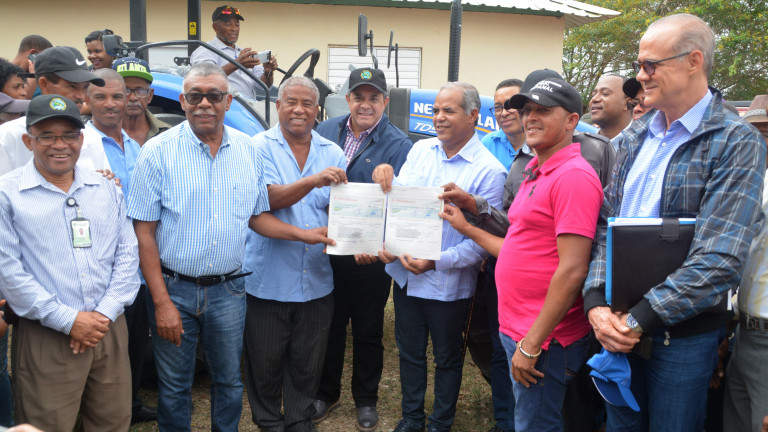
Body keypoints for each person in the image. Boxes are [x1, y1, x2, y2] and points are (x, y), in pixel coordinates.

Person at [582, 14, 766, 432]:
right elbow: (606, 227)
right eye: (638, 65)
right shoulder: (633, 138)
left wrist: (637, 318)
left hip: (681, 337)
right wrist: (596, 305)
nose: (640, 76)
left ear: (694, 61)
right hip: (617, 327)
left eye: (651, 65)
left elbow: (720, 258)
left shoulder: (736, 141)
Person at [129, 63, 325, 431]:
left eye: (214, 96)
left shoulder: (248, 151)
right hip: (174, 290)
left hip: (229, 291)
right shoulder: (157, 152)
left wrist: (305, 235)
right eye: (195, 96)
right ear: (183, 102)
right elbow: (144, 232)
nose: (204, 104)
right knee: (175, 386)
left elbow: (256, 217)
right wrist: (161, 302)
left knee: (229, 382)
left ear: (228, 101)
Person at [372, 82, 507, 432]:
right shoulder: (420, 151)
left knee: (447, 359)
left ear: (473, 115)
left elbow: (483, 243)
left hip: (449, 284)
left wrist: (435, 261)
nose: (439, 117)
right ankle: (412, 419)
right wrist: (388, 241)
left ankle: (440, 423)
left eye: (449, 110)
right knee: (409, 354)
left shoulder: (489, 171)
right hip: (406, 276)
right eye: (435, 110)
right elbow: (399, 206)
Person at [0, 94, 140, 431]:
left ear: (81, 139)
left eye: (68, 135)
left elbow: (127, 255)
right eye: (47, 135)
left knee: (112, 422)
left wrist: (102, 315)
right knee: (46, 425)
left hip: (108, 328)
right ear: (28, 141)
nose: (59, 144)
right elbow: (9, 273)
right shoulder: (7, 194)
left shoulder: (105, 188)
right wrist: (69, 320)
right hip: (47, 334)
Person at [242, 76, 346, 432]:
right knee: (265, 361)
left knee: (307, 360)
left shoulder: (332, 152)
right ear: (278, 106)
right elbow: (266, 200)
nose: (299, 110)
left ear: (318, 111)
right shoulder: (257, 148)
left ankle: (300, 419)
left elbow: (340, 210)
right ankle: (269, 420)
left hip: (316, 278)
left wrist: (356, 234)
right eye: (291, 102)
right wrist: (312, 181)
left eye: (307, 104)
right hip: (269, 277)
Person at [312, 67, 412, 431]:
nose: (365, 104)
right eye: (358, 97)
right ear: (347, 99)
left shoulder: (399, 144)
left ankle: (366, 400)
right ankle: (326, 393)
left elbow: (403, 204)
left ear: (385, 101)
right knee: (330, 325)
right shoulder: (325, 131)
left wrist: (378, 242)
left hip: (370, 256)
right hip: (328, 248)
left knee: (368, 330)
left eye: (373, 98)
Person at [85, 67, 157, 424]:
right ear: (86, 100)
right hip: (101, 265)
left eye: (119, 95)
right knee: (102, 343)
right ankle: (95, 412)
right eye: (101, 96)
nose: (113, 103)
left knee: (135, 338)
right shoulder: (82, 145)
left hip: (139, 262)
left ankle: (130, 404)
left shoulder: (136, 146)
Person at [722, 91, 768, 432]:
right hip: (744, 334)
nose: (760, 140)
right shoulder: (755, 183)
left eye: (767, 132)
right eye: (755, 132)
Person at [0, 46, 111, 177]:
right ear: (44, 85)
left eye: (85, 87)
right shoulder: (8, 136)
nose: (81, 96)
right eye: (72, 86)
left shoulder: (91, 137)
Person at [190, 5, 279, 100]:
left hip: (250, 106)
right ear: (215, 27)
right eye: (228, 24)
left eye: (237, 25)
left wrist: (268, 72)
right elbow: (205, 79)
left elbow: (262, 87)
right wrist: (237, 64)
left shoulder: (243, 53)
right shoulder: (205, 50)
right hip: (226, 106)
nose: (234, 29)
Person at [112, 57, 171, 146]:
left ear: (150, 96)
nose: (133, 98)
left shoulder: (167, 134)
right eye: (125, 90)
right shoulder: (98, 134)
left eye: (140, 90)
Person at [589, 75, 632, 140]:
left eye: (605, 93)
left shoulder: (644, 144)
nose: (594, 99)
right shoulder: (580, 143)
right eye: (593, 95)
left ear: (628, 104)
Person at [11, 35, 52, 99]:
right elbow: (20, 100)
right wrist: (33, 75)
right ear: (33, 54)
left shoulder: (40, 82)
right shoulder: (3, 76)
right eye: (45, 59)